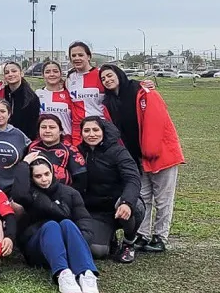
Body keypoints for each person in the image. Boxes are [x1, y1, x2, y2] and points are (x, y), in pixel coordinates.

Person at [100, 64, 184, 253]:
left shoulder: (142, 92)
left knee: (163, 199)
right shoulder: (111, 102)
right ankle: (143, 234)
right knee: (144, 196)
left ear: (119, 74)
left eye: (109, 75)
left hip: (160, 155)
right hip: (138, 157)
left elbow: (156, 121)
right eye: (103, 78)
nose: (107, 80)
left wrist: (151, 150)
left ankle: (160, 236)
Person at [11, 156, 100, 293]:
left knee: (67, 224)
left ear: (53, 173)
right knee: (51, 225)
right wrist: (24, 164)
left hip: (67, 246)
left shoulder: (70, 193)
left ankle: (86, 274)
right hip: (38, 247)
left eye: (47, 174)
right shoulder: (29, 195)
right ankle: (63, 274)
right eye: (37, 176)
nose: (44, 179)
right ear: (31, 178)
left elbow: (84, 222)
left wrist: (75, 247)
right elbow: (18, 194)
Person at [78, 116, 145, 263]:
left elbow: (133, 178)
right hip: (97, 211)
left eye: (96, 130)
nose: (91, 134)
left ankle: (129, 242)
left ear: (103, 131)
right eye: (86, 130)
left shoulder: (118, 152)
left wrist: (127, 202)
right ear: (81, 133)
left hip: (118, 205)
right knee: (97, 251)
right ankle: (110, 239)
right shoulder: (78, 153)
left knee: (136, 207)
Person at [27, 114, 87, 194]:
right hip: (35, 194)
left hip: (62, 195)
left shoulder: (70, 150)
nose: (47, 131)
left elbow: (81, 179)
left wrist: (68, 196)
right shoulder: (31, 147)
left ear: (61, 131)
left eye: (52, 127)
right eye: (43, 127)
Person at [36, 60, 79, 142]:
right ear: (43, 75)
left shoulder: (69, 95)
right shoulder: (37, 94)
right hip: (44, 140)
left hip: (66, 139)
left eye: (55, 71)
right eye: (48, 72)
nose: (52, 74)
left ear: (60, 74)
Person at [2, 60, 40, 141]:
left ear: (21, 73)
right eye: (7, 72)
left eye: (14, 71)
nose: (10, 74)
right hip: (4, 138)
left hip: (24, 140)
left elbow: (33, 126)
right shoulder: (2, 94)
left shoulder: (31, 98)